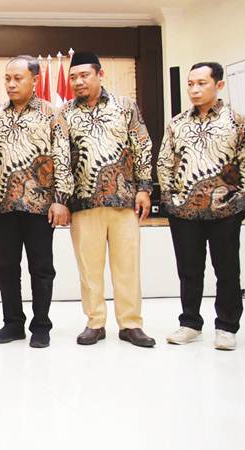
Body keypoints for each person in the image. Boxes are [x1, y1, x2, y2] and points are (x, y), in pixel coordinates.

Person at [62, 52, 155, 348]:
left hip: (124, 199)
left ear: (100, 74)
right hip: (83, 203)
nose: (78, 82)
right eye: (73, 77)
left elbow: (141, 146)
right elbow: (61, 158)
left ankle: (130, 324)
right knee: (89, 268)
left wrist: (144, 188)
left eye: (84, 75)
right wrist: (62, 199)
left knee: (127, 265)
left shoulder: (125, 106)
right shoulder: (64, 113)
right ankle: (95, 322)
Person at [0, 56, 73, 348]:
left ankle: (41, 326)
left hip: (40, 205)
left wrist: (61, 199)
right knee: (5, 268)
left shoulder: (51, 114)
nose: (11, 83)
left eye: (18, 78)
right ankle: (13, 323)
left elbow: (62, 156)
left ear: (34, 79)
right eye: (7, 78)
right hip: (4, 203)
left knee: (41, 268)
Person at [158, 62, 245, 351]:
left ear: (218, 85)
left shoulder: (236, 122)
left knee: (227, 270)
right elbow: (164, 162)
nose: (194, 90)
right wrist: (170, 199)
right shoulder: (177, 123)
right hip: (184, 212)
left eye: (201, 83)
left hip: (225, 210)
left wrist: (239, 198)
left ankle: (227, 326)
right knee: (189, 270)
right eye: (191, 84)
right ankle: (190, 323)